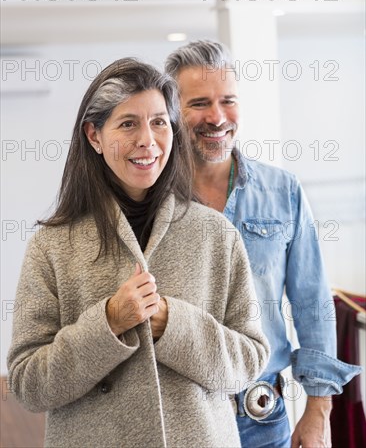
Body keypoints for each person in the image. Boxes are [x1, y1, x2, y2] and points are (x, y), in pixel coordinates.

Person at [7, 58, 270, 448]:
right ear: (94, 136)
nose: (147, 140)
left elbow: (248, 363)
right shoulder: (53, 245)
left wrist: (172, 324)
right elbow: (28, 384)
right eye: (128, 123)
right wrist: (108, 323)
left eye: (159, 122)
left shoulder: (216, 235)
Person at [165, 40, 362, 448]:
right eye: (199, 103)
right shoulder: (153, 198)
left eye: (228, 100)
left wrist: (317, 411)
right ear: (172, 111)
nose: (217, 117)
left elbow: (312, 302)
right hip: (180, 415)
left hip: (262, 414)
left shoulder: (282, 191)